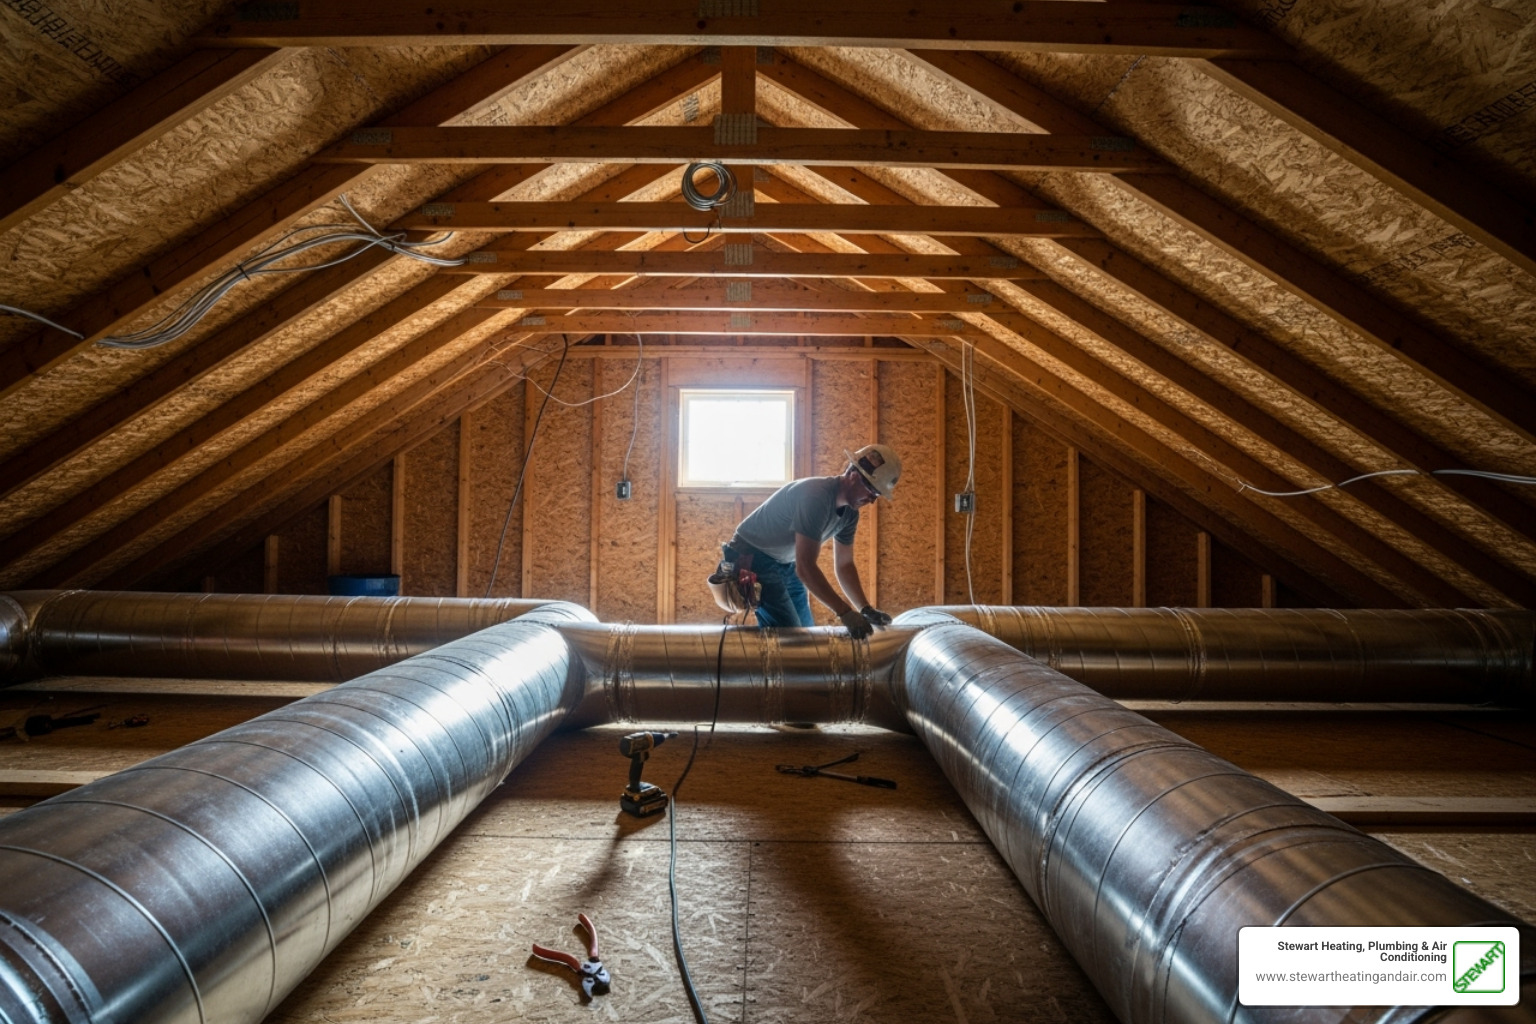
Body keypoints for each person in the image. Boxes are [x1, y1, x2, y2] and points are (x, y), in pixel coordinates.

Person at [722, 444, 901, 639]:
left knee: (806, 633)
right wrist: (845, 613)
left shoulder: (850, 514)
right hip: (750, 555)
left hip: (783, 562)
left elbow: (845, 564)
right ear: (854, 476)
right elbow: (806, 567)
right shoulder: (816, 497)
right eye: (871, 492)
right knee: (791, 639)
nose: (872, 500)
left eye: (876, 495)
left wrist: (864, 608)